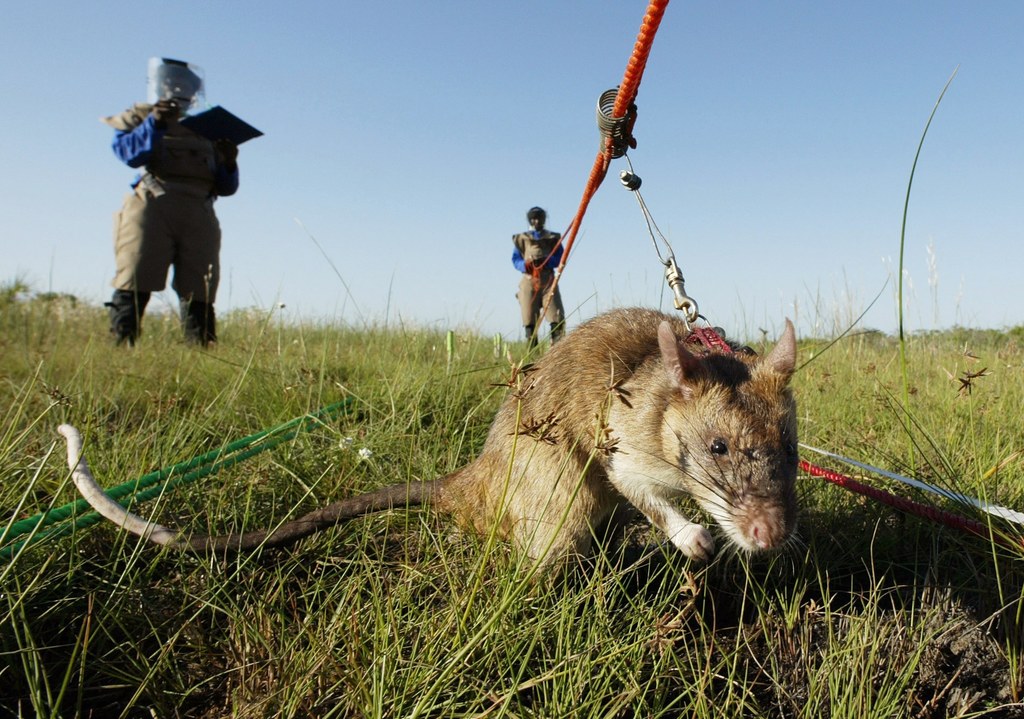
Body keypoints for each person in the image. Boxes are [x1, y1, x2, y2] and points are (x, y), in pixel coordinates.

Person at [102, 58, 239, 347]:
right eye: (171, 83)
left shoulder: (210, 129)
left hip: (199, 211)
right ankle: (122, 347)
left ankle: (201, 351)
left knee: (200, 283)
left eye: (185, 86)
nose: (177, 89)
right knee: (135, 273)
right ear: (158, 84)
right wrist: (155, 124)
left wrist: (229, 162)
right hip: (152, 206)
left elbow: (227, 187)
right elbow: (128, 154)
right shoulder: (138, 117)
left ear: (194, 92)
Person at [512, 206, 565, 348]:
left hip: (548, 280)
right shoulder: (522, 239)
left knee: (556, 315)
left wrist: (548, 261)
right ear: (530, 220)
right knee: (528, 316)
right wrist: (525, 265)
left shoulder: (552, 238)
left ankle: (556, 349)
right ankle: (532, 351)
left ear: (544, 219)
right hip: (529, 280)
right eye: (533, 218)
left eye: (539, 218)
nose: (536, 221)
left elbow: (561, 257)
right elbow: (515, 259)